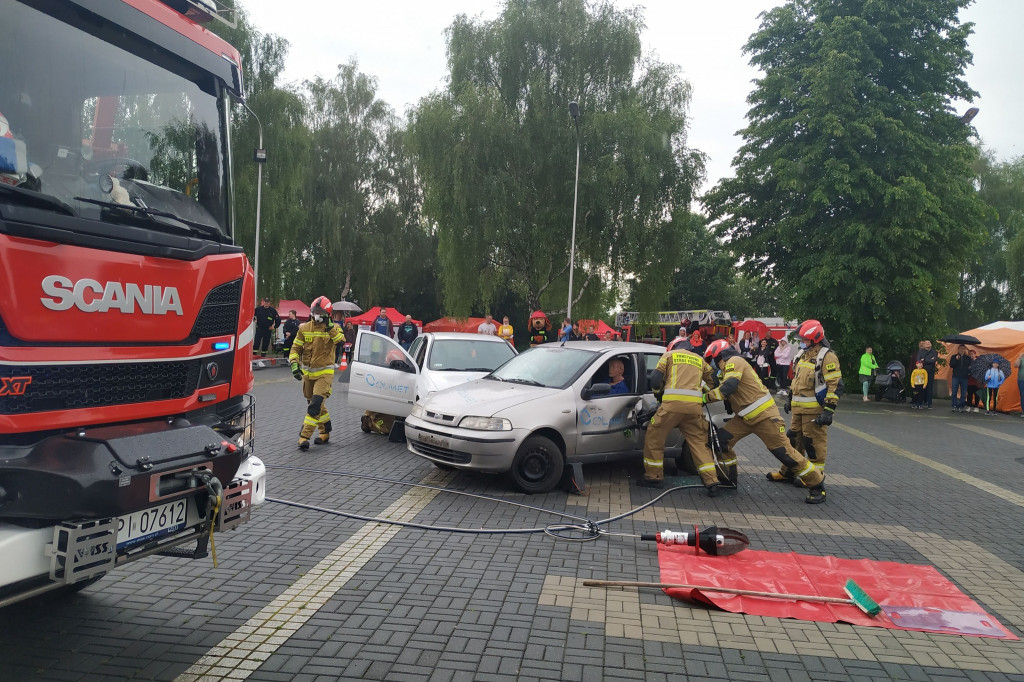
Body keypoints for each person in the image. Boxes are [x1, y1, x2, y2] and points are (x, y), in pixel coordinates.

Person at [703, 339, 825, 503]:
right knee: (721, 442)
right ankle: (728, 479)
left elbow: (728, 388)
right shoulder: (726, 369)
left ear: (719, 354)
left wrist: (704, 398)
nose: (712, 364)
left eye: (712, 359)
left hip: (765, 417)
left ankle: (817, 484)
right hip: (745, 418)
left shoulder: (734, 361)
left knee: (785, 453)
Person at [640, 344, 723, 496]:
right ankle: (712, 482)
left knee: (654, 436)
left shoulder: (669, 356)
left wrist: (659, 394)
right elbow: (714, 382)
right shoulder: (699, 359)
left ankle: (654, 477)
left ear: (673, 346)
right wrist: (701, 395)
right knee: (699, 443)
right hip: (694, 409)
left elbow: (655, 380)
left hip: (671, 407)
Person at [775, 319, 841, 489]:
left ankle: (815, 478)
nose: (802, 342)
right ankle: (788, 472)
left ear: (815, 339)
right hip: (798, 410)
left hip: (814, 412)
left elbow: (835, 385)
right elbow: (795, 380)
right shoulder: (801, 355)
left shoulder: (826, 356)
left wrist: (828, 411)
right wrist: (790, 399)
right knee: (792, 441)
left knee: (813, 444)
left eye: (805, 339)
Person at [289, 296, 345, 450]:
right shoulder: (304, 328)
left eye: (320, 312)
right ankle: (325, 431)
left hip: (324, 374)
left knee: (315, 406)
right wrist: (294, 364)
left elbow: (341, 341)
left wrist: (329, 327)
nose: (317, 314)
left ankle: (304, 437)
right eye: (314, 311)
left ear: (328, 313)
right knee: (314, 404)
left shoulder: (334, 328)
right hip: (308, 374)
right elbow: (295, 348)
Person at [915, 340, 938, 409]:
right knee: (921, 387)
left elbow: (933, 360)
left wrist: (924, 360)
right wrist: (928, 360)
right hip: (922, 372)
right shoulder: (920, 352)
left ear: (931, 344)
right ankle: (920, 402)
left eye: (929, 343)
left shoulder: (934, 352)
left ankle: (929, 403)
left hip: (930, 371)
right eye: (926, 343)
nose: (928, 344)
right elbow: (918, 360)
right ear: (924, 345)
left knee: (929, 387)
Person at [948, 345, 972, 412]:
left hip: (964, 377)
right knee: (954, 391)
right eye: (960, 349)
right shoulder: (954, 356)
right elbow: (951, 365)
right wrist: (956, 359)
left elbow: (970, 366)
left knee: (963, 393)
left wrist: (968, 372)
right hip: (956, 376)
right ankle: (954, 405)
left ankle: (961, 406)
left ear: (965, 350)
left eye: (963, 349)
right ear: (958, 349)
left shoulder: (968, 358)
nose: (961, 350)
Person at [1015, 353, 1024, 418]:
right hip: (1021, 380)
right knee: (1023, 395)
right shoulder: (1021, 359)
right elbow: (1016, 365)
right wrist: (1019, 357)